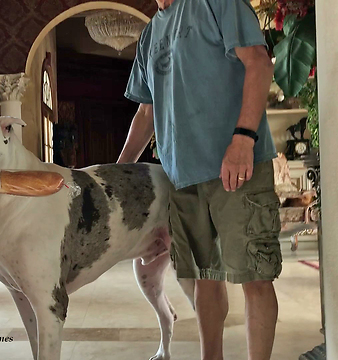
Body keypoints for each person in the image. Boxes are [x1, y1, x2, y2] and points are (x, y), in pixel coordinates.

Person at [117, 0, 280, 360]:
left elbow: (258, 61)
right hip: (181, 178)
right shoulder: (150, 34)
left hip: (238, 164)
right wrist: (119, 171)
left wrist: (243, 139)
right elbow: (146, 111)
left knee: (255, 274)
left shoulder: (216, 3)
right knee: (204, 277)